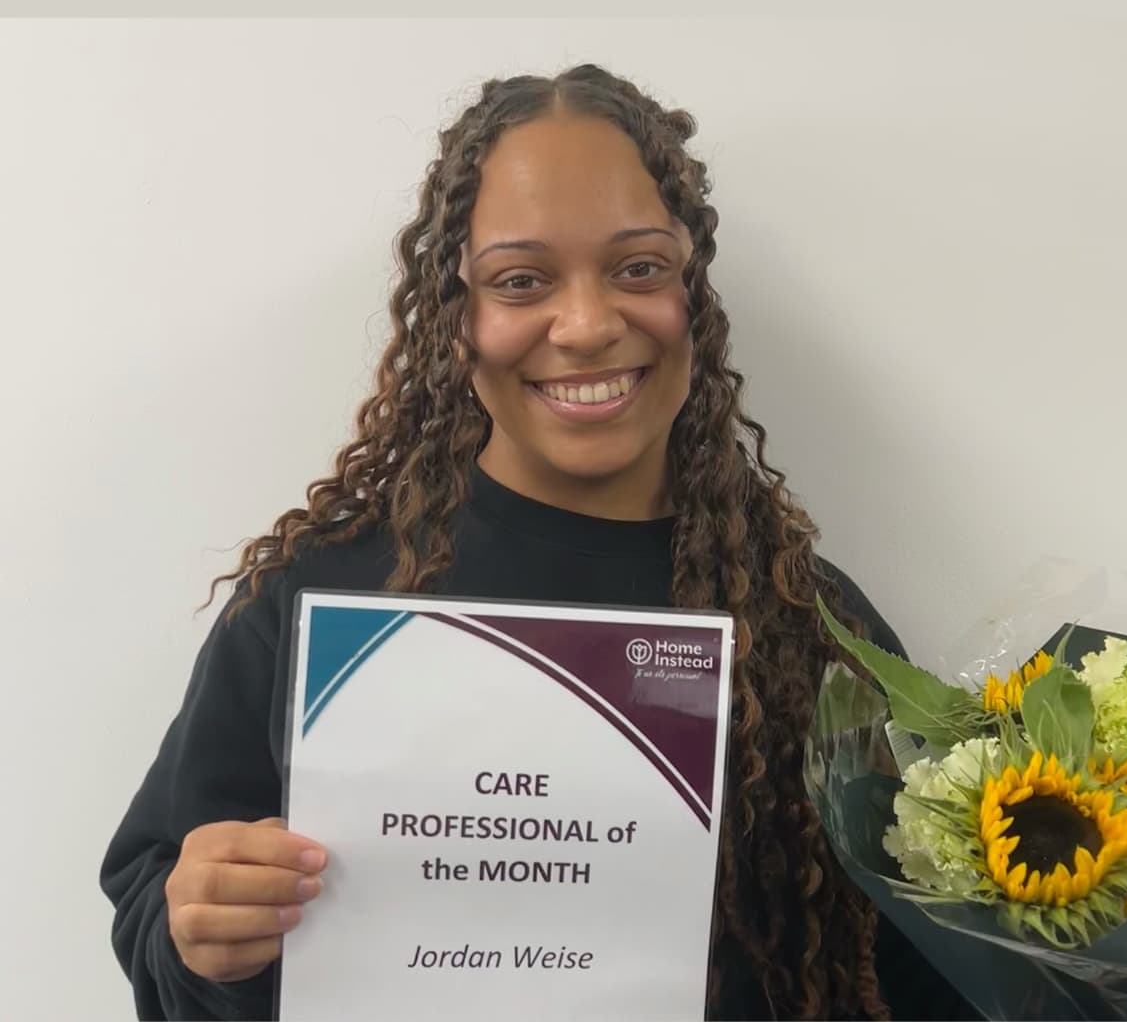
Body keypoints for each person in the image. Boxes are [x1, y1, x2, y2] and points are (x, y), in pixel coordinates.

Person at [101, 64, 972, 1021]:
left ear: (693, 295)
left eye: (639, 267)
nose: (589, 324)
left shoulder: (809, 623)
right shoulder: (317, 599)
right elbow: (155, 899)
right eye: (522, 281)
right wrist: (197, 931)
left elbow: (933, 969)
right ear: (457, 316)